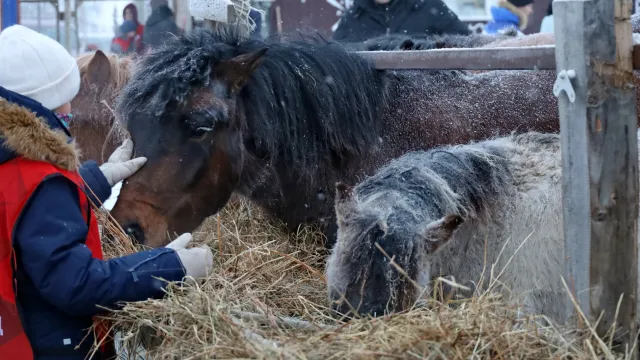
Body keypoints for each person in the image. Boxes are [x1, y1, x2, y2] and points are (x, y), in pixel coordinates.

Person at [0, 24, 214, 359]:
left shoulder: (11, 161)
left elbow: (20, 212)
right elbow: (77, 284)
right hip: (57, 347)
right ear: (41, 110)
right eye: (63, 105)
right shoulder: (42, 181)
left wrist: (97, 179)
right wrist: (169, 267)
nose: (68, 114)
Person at [332, 0, 471, 43]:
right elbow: (338, 62)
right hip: (374, 106)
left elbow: (466, 42)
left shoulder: (430, 6)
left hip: (428, 102)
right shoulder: (352, 18)